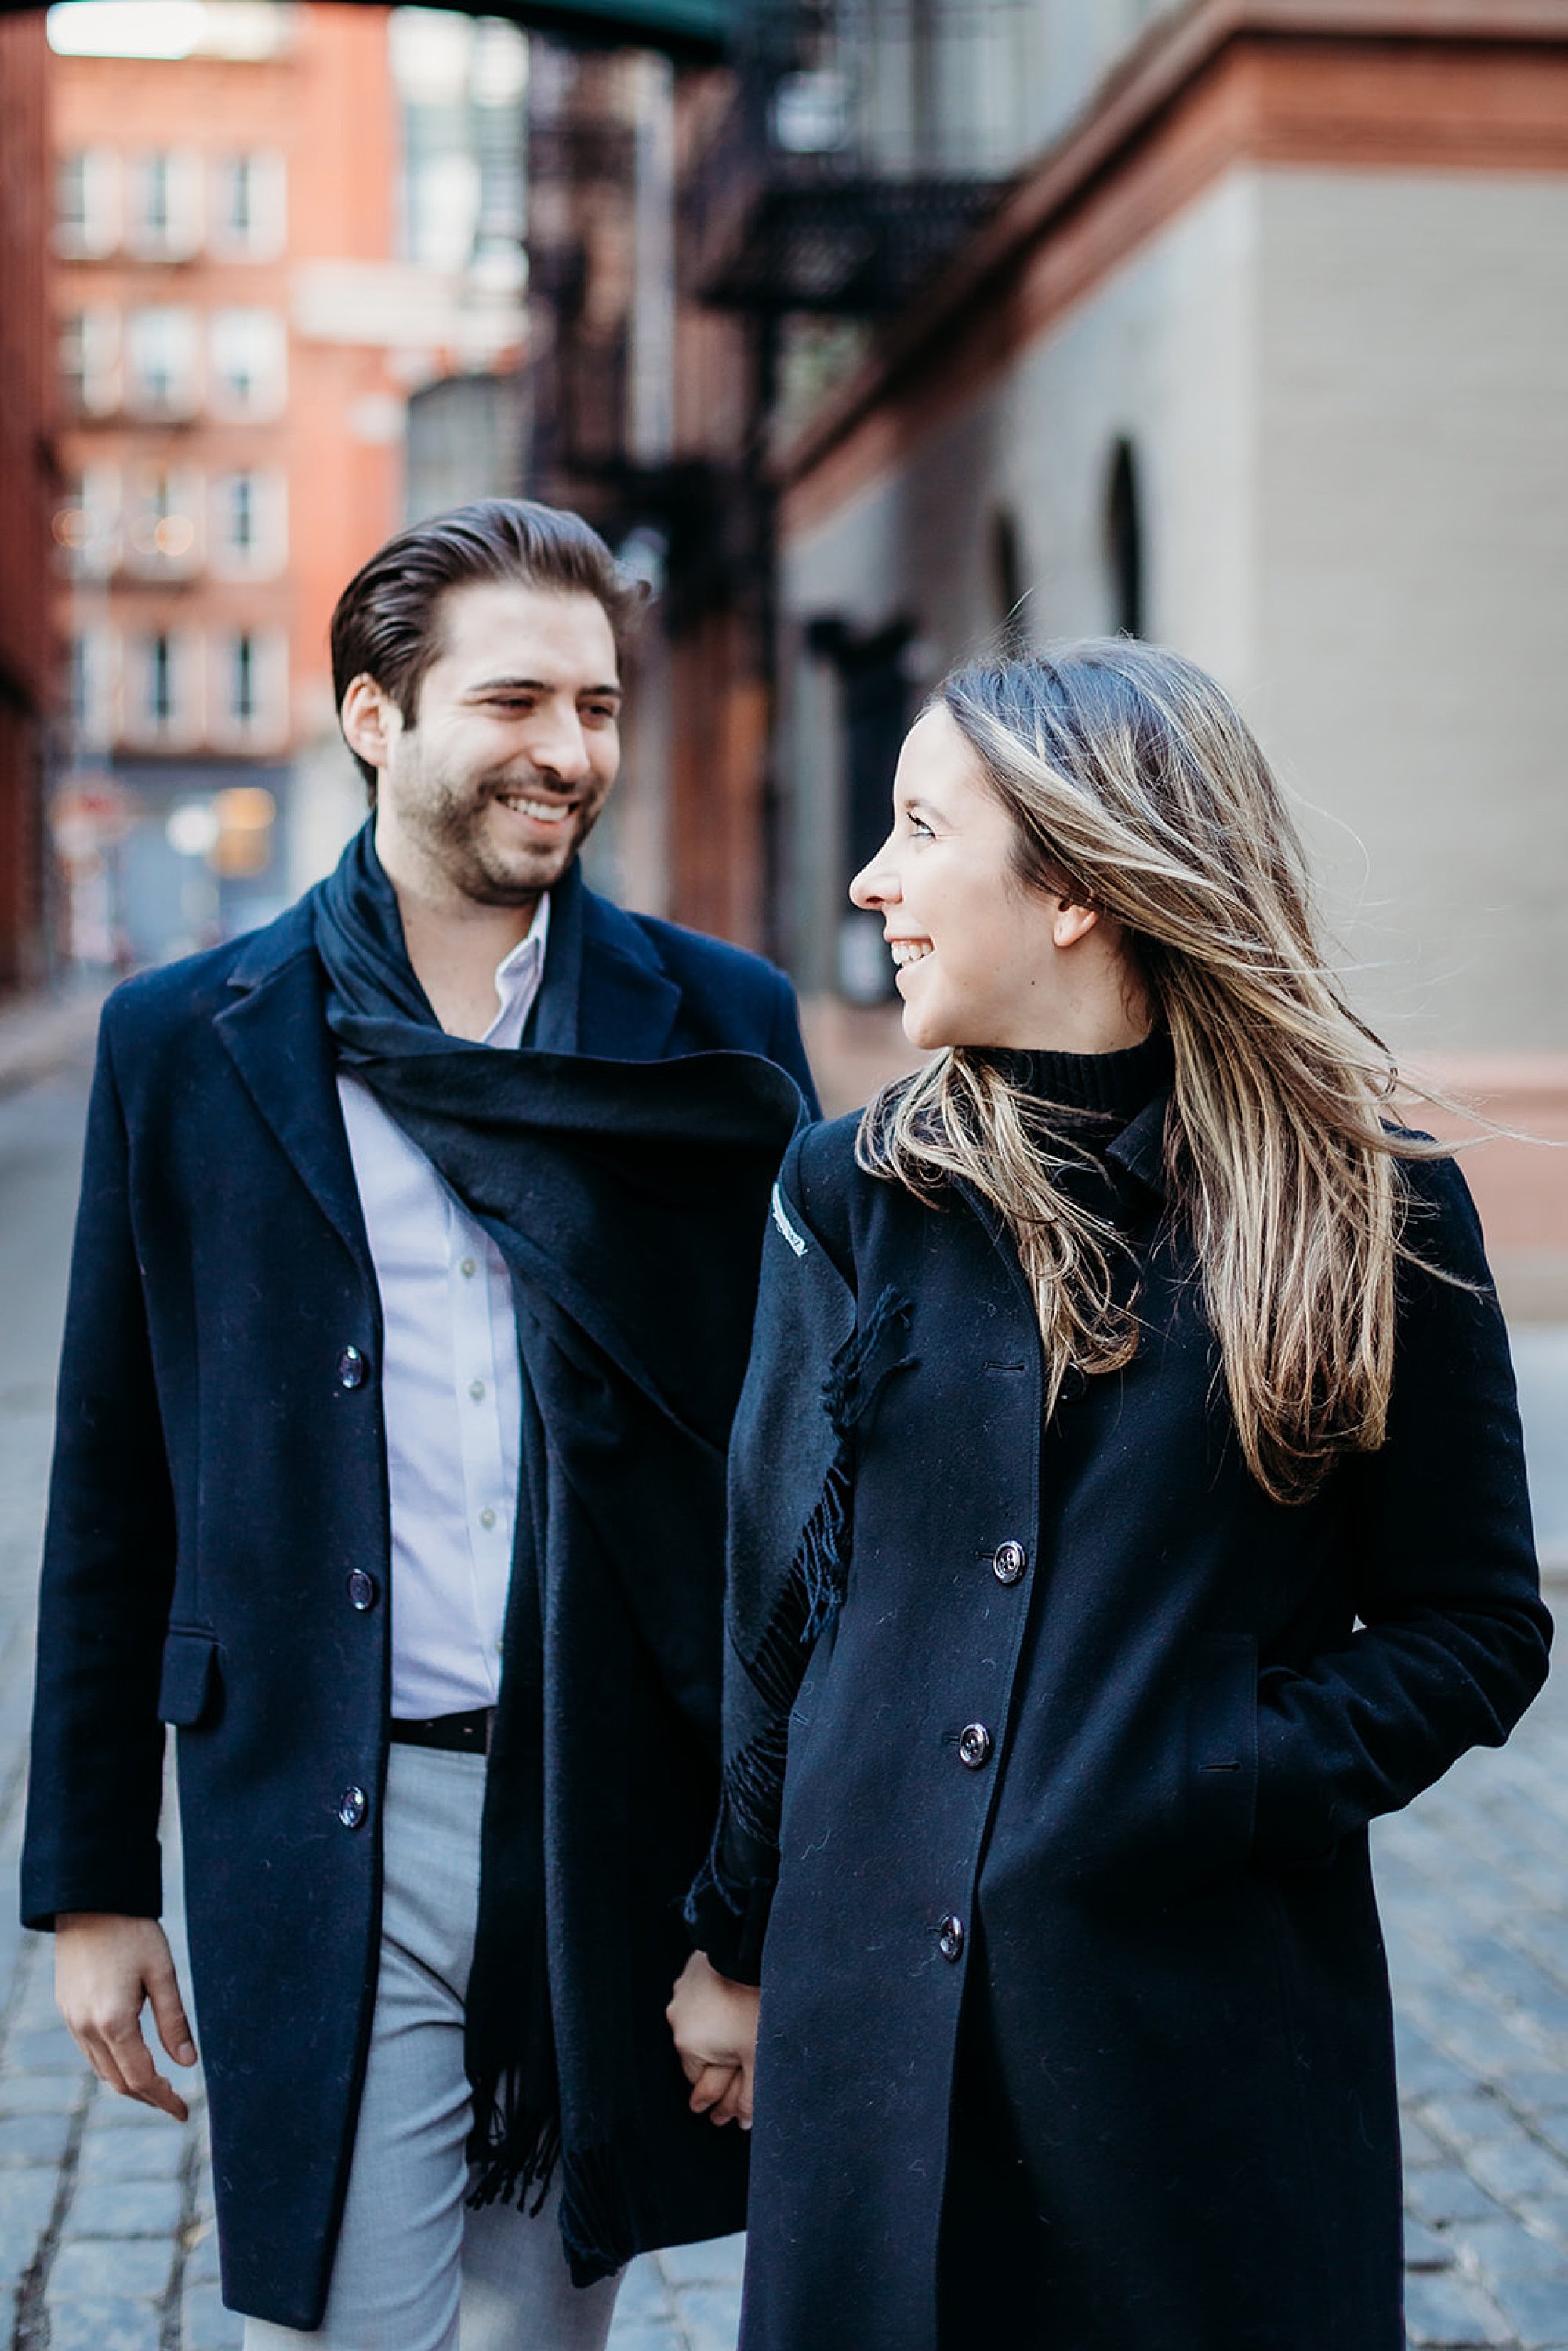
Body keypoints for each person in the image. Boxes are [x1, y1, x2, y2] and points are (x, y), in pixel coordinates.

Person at [669, 639, 1550, 2350]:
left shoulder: (1371, 1210)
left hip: (1192, 2046)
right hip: (871, 2052)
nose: (872, 881)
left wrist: (1204, 1775)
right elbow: (782, 1605)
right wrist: (738, 1933)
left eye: (921, 831)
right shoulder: (851, 1193)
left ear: (1073, 883)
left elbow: (1475, 1623)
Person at [23, 499, 816, 2350]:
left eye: (600, 708)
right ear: (375, 716)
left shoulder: (713, 1028)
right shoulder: (189, 1039)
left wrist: (763, 1906)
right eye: (516, 699)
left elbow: (791, 1497)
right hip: (315, 1797)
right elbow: (116, 1476)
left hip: (606, 1813)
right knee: (341, 2329)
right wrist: (88, 1883)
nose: (569, 751)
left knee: (542, 2334)